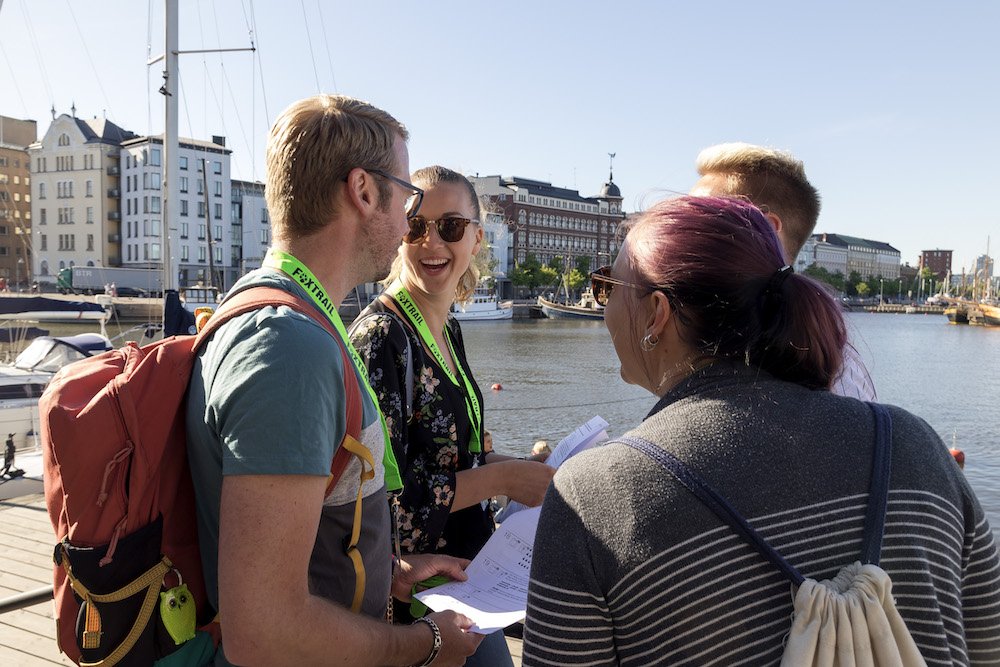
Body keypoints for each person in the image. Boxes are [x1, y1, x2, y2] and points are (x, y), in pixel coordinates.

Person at [523, 196, 1000, 666]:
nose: (603, 306)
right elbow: (989, 639)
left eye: (609, 287)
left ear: (656, 313)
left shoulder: (594, 497)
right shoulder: (913, 443)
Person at [186, 97, 481, 666]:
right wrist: (427, 643)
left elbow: (304, 538)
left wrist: (387, 568)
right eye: (408, 201)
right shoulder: (288, 351)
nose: (408, 228)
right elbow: (265, 630)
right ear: (365, 191)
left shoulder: (289, 319)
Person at [351, 166, 554, 666]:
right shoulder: (383, 338)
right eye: (417, 225)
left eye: (451, 226)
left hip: (470, 576)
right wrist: (503, 477)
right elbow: (381, 496)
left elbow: (460, 454)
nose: (431, 242)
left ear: (476, 238)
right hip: (417, 596)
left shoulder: (450, 330)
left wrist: (540, 475)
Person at [691, 142, 876, 400]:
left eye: (703, 220)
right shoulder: (706, 333)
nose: (685, 232)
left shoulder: (832, 372)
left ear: (764, 228)